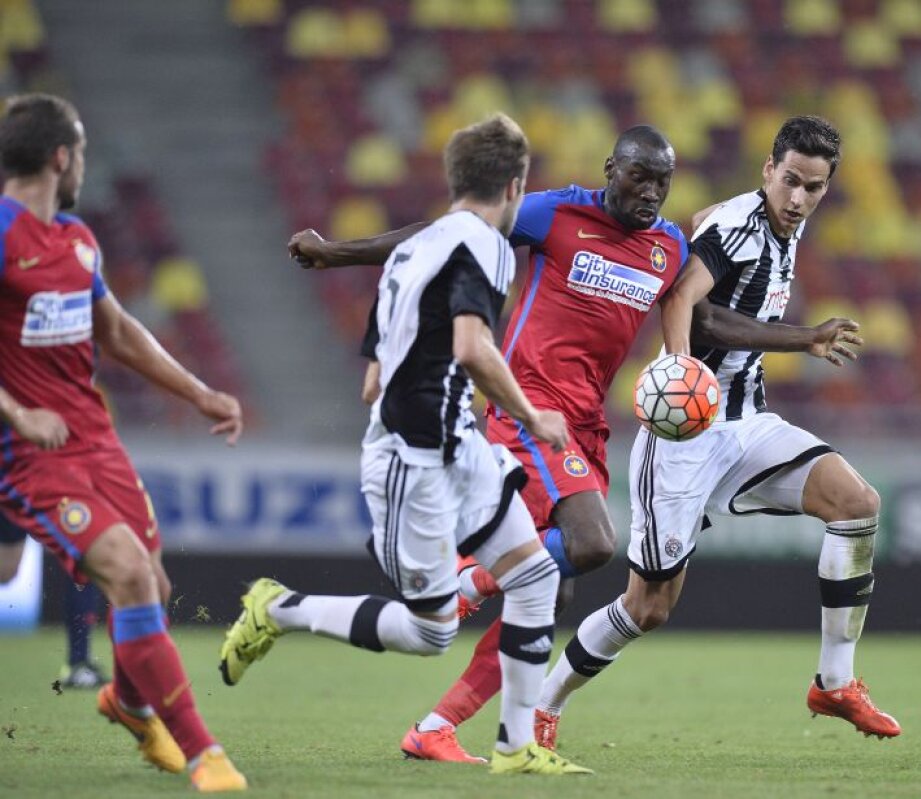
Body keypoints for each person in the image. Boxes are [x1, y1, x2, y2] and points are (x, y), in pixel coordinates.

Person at [286, 124, 692, 762]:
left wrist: (798, 337)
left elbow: (705, 310)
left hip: (584, 428)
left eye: (663, 182)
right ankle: (472, 578)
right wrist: (338, 253)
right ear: (612, 168)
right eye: (640, 175)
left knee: (545, 594)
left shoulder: (668, 247)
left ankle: (435, 727)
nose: (651, 192)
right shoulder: (555, 213)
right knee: (591, 544)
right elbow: (445, 236)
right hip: (529, 412)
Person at [218, 113, 591, 776]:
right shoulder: (486, 246)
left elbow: (371, 379)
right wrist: (534, 416)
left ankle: (513, 747)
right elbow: (474, 348)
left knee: (535, 575)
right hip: (413, 460)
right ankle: (278, 607)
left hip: (457, 443)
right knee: (431, 631)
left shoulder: (414, 250)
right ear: (515, 186)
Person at [534, 115, 902, 748]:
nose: (798, 198)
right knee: (648, 608)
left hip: (745, 423)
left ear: (826, 186)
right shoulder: (736, 225)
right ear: (768, 169)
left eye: (813, 187)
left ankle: (834, 683)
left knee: (857, 504)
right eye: (789, 181)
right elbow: (686, 302)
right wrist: (684, 369)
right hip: (681, 435)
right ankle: (542, 705)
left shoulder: (783, 227)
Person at [0, 93, 247, 792]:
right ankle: (205, 753)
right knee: (130, 575)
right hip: (31, 453)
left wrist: (200, 392)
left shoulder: (77, 238)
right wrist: (16, 411)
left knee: (154, 585)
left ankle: (129, 701)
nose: (81, 162)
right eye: (78, 150)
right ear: (60, 156)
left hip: (96, 440)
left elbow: (116, 332)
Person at [0, 513, 108, 688]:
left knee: (79, 551)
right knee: (5, 572)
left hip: (49, 489)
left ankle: (78, 662)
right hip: (11, 489)